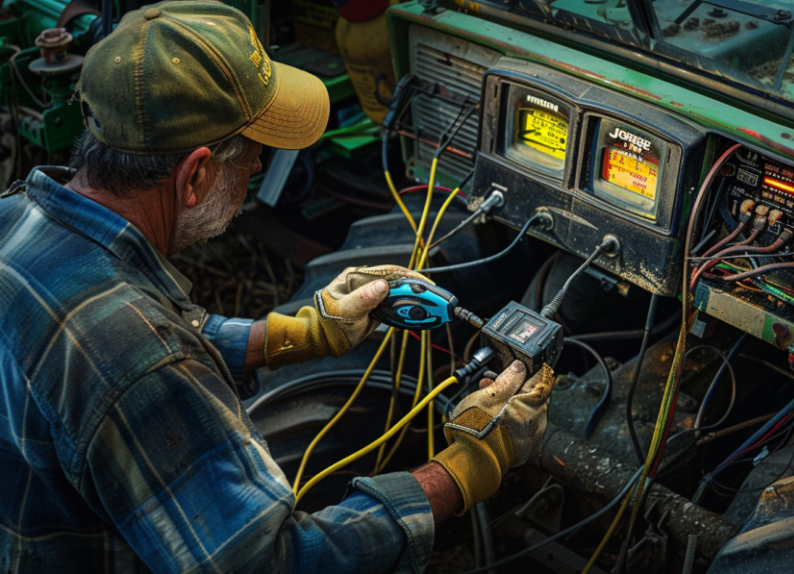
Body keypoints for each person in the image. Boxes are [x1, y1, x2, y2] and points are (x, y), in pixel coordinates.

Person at [0, 1, 553, 572]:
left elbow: (146, 334)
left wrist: (302, 335)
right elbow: (277, 561)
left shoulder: (17, 219)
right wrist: (465, 469)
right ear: (196, 175)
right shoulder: (142, 361)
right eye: (253, 154)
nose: (261, 165)